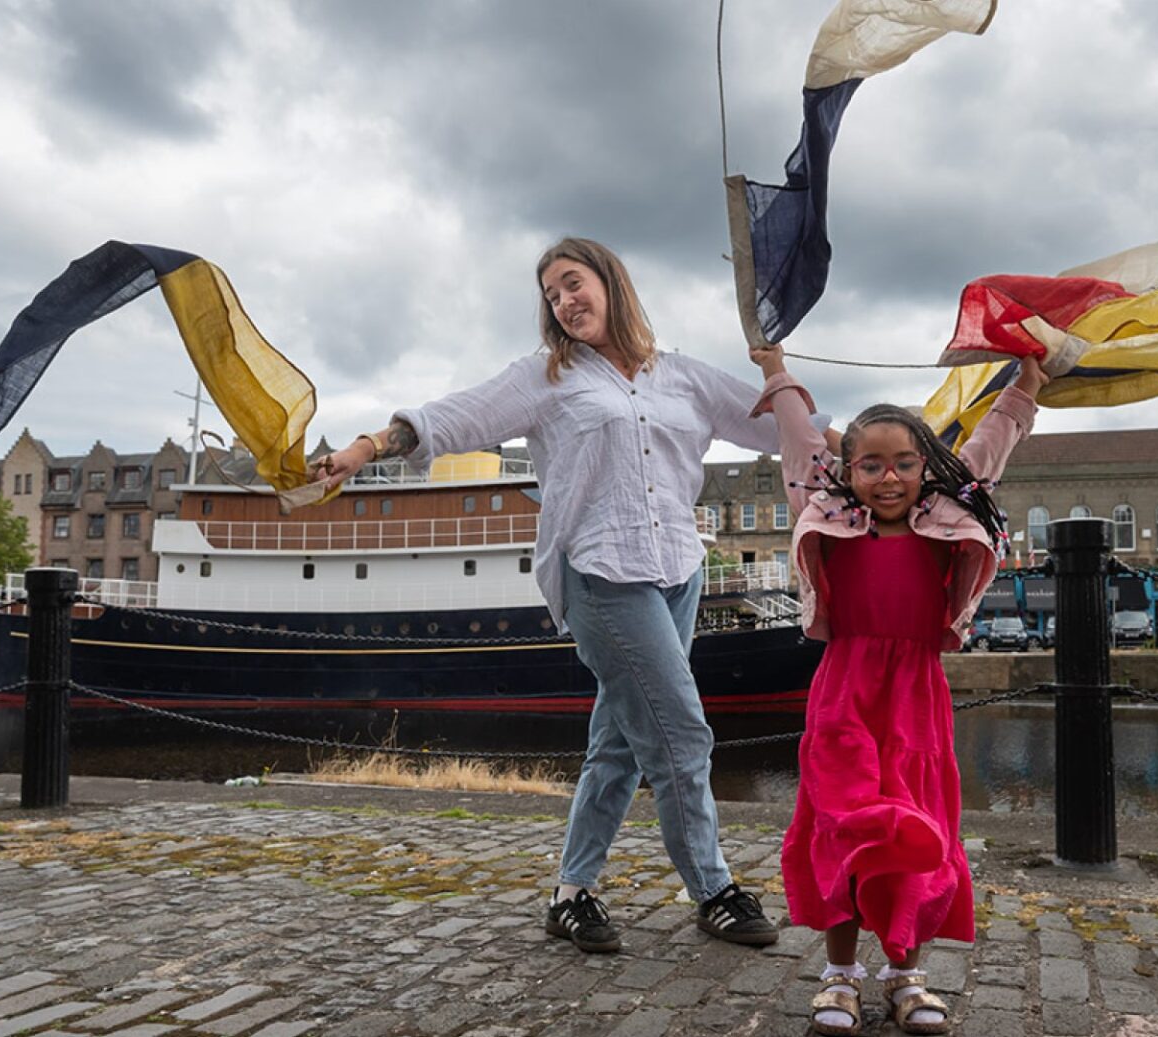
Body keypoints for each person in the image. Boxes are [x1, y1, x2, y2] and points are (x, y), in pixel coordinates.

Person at [316, 237, 825, 953]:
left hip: (677, 570)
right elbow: (454, 416)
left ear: (610, 281)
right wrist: (367, 447)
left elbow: (780, 426)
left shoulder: (679, 375)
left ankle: (570, 893)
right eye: (552, 294)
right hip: (601, 574)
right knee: (680, 733)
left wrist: (853, 428)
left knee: (618, 742)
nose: (563, 301)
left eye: (573, 283)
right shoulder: (546, 377)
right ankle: (712, 888)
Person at [746, 340, 1044, 1035]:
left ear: (926, 467)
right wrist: (774, 370)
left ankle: (907, 973)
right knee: (843, 830)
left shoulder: (949, 513)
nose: (889, 477)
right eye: (871, 464)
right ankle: (841, 975)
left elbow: (993, 442)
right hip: (843, 693)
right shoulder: (826, 512)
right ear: (846, 469)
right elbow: (795, 432)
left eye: (905, 463)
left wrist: (1026, 384)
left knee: (916, 831)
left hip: (915, 696)